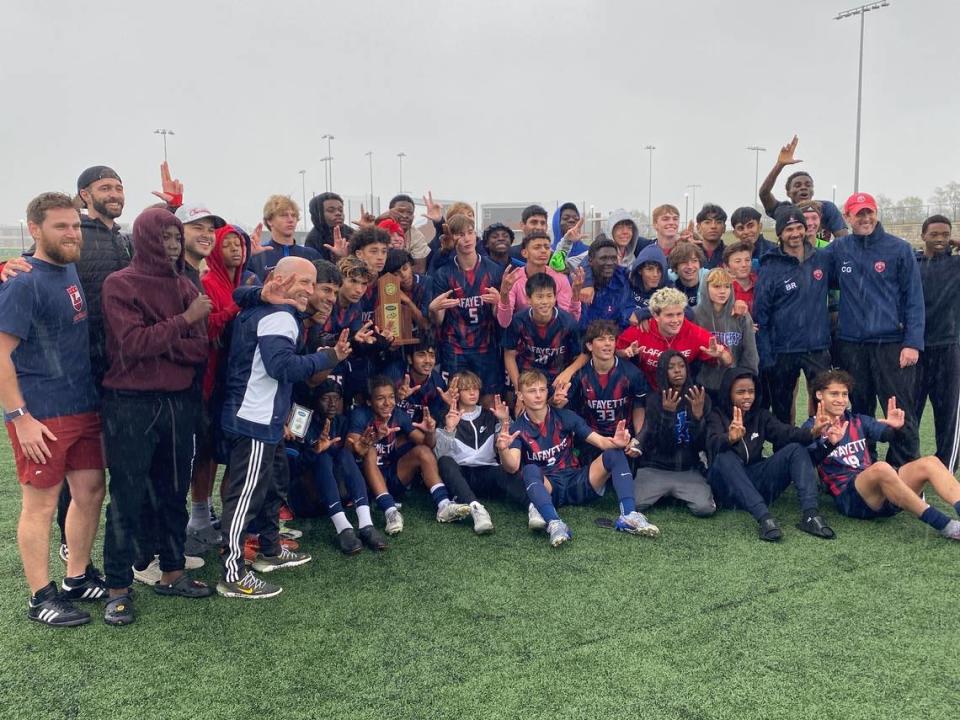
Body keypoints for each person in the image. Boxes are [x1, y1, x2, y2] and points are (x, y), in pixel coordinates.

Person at [100, 208, 215, 625]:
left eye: (174, 237)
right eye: (163, 237)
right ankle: (117, 586)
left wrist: (164, 337)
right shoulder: (120, 284)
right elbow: (131, 344)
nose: (170, 245)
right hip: (129, 405)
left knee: (173, 492)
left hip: (176, 404)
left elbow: (197, 349)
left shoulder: (184, 284)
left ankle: (172, 570)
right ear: (145, 238)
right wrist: (182, 323)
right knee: (127, 497)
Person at [0, 192, 107, 626]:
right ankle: (40, 596)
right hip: (42, 414)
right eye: (61, 226)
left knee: (90, 492)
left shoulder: (69, 268)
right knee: (40, 505)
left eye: (75, 225)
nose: (71, 233)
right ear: (35, 229)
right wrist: (19, 418)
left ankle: (76, 578)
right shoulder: (21, 281)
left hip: (83, 403)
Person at [218, 256, 349, 599]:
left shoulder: (273, 308)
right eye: (302, 282)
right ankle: (233, 574)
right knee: (244, 497)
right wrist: (329, 357)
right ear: (279, 280)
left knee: (271, 488)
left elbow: (241, 297)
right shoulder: (279, 315)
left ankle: (270, 550)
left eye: (311, 282)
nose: (308, 290)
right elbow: (282, 367)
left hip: (264, 419)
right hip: (254, 419)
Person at [495, 370, 658, 547]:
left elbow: (601, 442)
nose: (538, 395)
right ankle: (555, 523)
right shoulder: (517, 428)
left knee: (614, 454)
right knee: (530, 470)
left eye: (542, 390)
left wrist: (616, 443)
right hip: (550, 490)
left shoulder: (565, 416)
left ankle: (629, 515)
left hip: (576, 481)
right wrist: (503, 449)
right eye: (532, 391)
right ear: (520, 395)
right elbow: (512, 466)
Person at [821, 192, 924, 467]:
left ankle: (905, 470)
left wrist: (912, 342)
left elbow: (914, 298)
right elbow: (810, 264)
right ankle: (864, 464)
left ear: (876, 214)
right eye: (859, 213)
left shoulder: (898, 248)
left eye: (869, 212)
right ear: (848, 217)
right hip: (851, 344)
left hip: (891, 343)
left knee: (899, 408)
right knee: (859, 408)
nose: (865, 218)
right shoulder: (839, 249)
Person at [804, 370, 960, 540]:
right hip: (850, 499)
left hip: (883, 491)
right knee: (881, 468)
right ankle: (945, 525)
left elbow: (888, 436)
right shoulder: (810, 427)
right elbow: (808, 462)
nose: (841, 400)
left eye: (844, 394)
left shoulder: (857, 420)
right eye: (834, 394)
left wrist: (895, 428)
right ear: (819, 394)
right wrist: (821, 437)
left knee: (930, 462)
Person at [706, 367, 834, 542]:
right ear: (728, 393)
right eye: (740, 392)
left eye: (751, 391)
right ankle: (764, 518)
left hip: (757, 481)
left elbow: (785, 433)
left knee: (796, 448)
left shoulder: (761, 415)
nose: (747, 396)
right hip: (728, 490)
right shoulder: (716, 415)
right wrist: (729, 438)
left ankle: (810, 515)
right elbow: (711, 443)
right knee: (724, 457)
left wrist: (813, 432)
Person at [346, 375, 471, 536]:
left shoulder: (397, 414)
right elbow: (352, 449)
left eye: (391, 397)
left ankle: (444, 505)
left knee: (422, 451)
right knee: (370, 451)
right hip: (366, 483)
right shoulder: (360, 414)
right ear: (369, 402)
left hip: (392, 477)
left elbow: (428, 445)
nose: (387, 403)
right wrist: (372, 439)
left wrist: (430, 432)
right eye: (380, 399)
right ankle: (390, 512)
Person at [753, 204, 832, 424]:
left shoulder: (822, 259)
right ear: (780, 234)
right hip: (783, 350)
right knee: (782, 407)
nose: (795, 233)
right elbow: (761, 313)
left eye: (799, 227)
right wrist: (766, 354)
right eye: (789, 230)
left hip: (817, 347)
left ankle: (822, 451)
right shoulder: (770, 266)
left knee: (823, 405)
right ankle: (785, 451)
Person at [434, 371, 526, 534]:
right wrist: (449, 428)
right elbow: (440, 454)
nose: (472, 392)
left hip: (487, 473)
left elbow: (508, 440)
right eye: (466, 389)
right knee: (445, 462)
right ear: (456, 393)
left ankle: (535, 507)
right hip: (461, 476)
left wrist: (504, 419)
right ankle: (477, 510)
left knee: (505, 468)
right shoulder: (446, 416)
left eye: (475, 388)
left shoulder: (489, 415)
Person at [431, 214, 504, 403]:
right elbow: (438, 321)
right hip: (455, 347)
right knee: (455, 400)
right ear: (451, 238)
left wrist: (500, 302)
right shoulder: (443, 274)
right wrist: (434, 309)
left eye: (470, 232)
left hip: (486, 346)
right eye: (460, 234)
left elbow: (500, 318)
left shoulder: (494, 270)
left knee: (489, 401)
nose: (467, 238)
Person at [634, 351, 714, 517]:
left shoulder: (699, 397)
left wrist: (698, 418)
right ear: (663, 372)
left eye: (681, 366)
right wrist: (668, 415)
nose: (678, 371)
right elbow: (663, 446)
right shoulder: (654, 400)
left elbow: (701, 444)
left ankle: (673, 493)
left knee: (705, 509)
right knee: (635, 504)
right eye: (671, 367)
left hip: (687, 469)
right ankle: (666, 492)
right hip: (655, 468)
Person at [617, 287, 732, 390]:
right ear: (656, 316)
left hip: (682, 391)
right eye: (669, 315)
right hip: (647, 392)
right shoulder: (641, 330)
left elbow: (728, 361)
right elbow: (615, 352)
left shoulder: (693, 332)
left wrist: (721, 355)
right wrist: (625, 354)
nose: (676, 320)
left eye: (679, 314)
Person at [914, 215, 960, 472]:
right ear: (923, 236)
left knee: (948, 412)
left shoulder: (956, 264)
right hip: (916, 349)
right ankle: (911, 460)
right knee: (912, 410)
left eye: (945, 234)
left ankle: (946, 466)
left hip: (948, 346)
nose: (940, 239)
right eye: (935, 234)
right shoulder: (913, 263)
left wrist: (955, 241)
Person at [554, 319, 648, 443]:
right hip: (589, 439)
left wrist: (638, 440)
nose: (607, 343)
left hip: (624, 438)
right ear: (589, 345)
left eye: (611, 339)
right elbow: (566, 410)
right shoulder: (578, 376)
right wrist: (557, 403)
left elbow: (639, 406)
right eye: (601, 339)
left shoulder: (633, 373)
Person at [758, 135, 848, 241]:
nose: (803, 188)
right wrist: (780, 165)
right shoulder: (784, 210)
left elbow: (843, 240)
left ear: (813, 190)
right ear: (788, 192)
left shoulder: (827, 208)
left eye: (808, 185)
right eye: (797, 185)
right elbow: (764, 193)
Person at [502, 273, 581, 390]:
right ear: (528, 299)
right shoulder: (518, 321)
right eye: (539, 297)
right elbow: (509, 354)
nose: (545, 301)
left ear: (555, 297)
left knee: (560, 404)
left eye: (549, 296)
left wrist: (568, 372)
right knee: (518, 405)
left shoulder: (568, 322)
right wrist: (519, 390)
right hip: (527, 377)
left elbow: (582, 354)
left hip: (558, 378)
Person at [693, 268, 758, 401]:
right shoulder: (695, 315)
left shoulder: (741, 315)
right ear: (706, 288)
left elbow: (750, 353)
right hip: (705, 384)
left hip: (734, 384)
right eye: (716, 286)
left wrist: (748, 380)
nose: (722, 291)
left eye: (727, 286)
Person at [496, 229, 582, 327]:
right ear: (524, 253)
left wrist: (575, 296)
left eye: (547, 247)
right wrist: (504, 295)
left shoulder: (560, 278)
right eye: (537, 247)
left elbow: (571, 321)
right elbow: (504, 322)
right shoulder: (514, 279)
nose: (543, 251)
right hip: (523, 335)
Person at [246, 195, 319, 281]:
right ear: (269, 220)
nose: (291, 219)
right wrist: (247, 256)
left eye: (294, 215)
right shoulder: (257, 256)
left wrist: (338, 257)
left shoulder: (311, 255)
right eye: (284, 215)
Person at [576, 238, 632, 330]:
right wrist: (587, 282)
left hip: (611, 339)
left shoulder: (622, 279)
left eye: (613, 258)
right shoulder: (578, 282)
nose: (609, 263)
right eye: (603, 258)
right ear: (590, 260)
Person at [174, 202, 226, 289]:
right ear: (178, 231)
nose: (206, 235)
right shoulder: (172, 276)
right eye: (198, 228)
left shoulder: (192, 275)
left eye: (211, 230)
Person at [386, 194, 432, 271]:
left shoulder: (417, 236)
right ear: (390, 213)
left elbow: (420, 269)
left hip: (407, 278)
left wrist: (397, 275)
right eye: (400, 211)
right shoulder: (380, 230)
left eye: (409, 213)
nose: (405, 216)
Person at [304, 192, 354, 259]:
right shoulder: (313, 240)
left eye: (340, 210)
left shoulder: (352, 234)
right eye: (331, 210)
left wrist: (368, 229)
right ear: (319, 214)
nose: (338, 213)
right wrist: (339, 258)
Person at [729, 207, 777, 271]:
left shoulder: (774, 251)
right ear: (735, 233)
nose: (746, 232)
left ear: (760, 227)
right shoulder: (731, 255)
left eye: (750, 226)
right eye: (741, 228)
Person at [668, 242, 707, 307]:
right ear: (675, 267)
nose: (690, 266)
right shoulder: (667, 278)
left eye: (694, 261)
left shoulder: (710, 278)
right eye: (684, 262)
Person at [721, 242, 757, 313]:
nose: (744, 265)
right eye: (738, 261)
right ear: (726, 267)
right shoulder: (723, 289)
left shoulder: (761, 283)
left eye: (747, 260)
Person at [695, 204, 728, 269]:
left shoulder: (730, 254)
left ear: (724, 228)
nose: (713, 226)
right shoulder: (691, 253)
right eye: (707, 222)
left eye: (718, 222)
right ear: (698, 227)